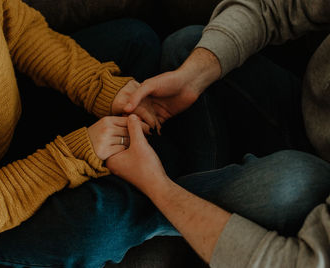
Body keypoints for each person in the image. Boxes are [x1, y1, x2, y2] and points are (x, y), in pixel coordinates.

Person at [0, 0, 167, 267]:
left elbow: (10, 18)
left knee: (137, 40)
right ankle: (172, 195)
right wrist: (71, 155)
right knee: (102, 228)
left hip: (7, 104)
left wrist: (99, 87)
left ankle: (155, 186)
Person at [115, 0, 330, 266]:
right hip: (306, 115)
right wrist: (192, 76)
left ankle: (138, 211)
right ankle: (191, 219)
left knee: (298, 183)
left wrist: (158, 188)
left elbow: (296, 262)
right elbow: (276, 7)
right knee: (186, 47)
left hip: (316, 201)